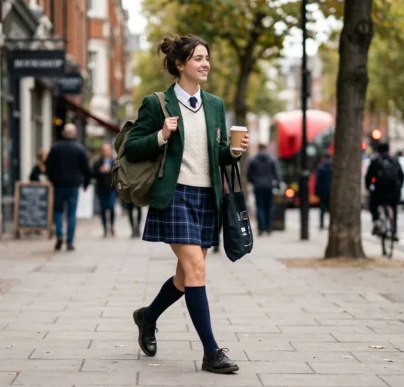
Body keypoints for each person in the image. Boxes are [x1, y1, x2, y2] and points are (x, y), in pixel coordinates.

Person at [125, 34, 249, 374]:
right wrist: (161, 135)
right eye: (198, 58)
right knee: (196, 270)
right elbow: (133, 147)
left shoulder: (215, 105)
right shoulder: (158, 104)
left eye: (207, 57)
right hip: (175, 195)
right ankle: (211, 352)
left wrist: (233, 152)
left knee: (184, 277)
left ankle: (147, 317)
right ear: (180, 65)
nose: (205, 63)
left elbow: (216, 154)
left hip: (207, 197)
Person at [44, 123, 91, 251]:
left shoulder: (55, 147)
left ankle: (59, 234)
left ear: (63, 133)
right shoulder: (79, 148)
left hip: (58, 185)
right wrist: (86, 183)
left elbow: (47, 166)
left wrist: (52, 179)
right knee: (71, 213)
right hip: (73, 186)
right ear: (74, 134)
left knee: (58, 211)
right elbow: (86, 168)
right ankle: (69, 241)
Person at [365, 142, 404, 240]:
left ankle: (376, 221)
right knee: (394, 209)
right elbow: (402, 175)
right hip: (393, 192)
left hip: (379, 191)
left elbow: (368, 177)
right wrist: (399, 187)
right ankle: (394, 231)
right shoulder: (394, 160)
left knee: (372, 205)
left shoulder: (375, 161)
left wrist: (369, 187)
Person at [247, 143, 280, 236]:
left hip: (258, 186)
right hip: (269, 186)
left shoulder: (253, 160)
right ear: (266, 148)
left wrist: (254, 181)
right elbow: (276, 173)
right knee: (268, 207)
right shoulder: (272, 159)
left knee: (260, 207)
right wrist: (277, 185)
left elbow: (249, 174)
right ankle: (268, 228)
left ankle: (261, 229)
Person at [92, 143, 118, 237]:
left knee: (111, 207)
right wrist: (100, 171)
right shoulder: (98, 162)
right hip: (101, 189)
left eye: (107, 150)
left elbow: (119, 174)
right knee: (103, 209)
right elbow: (93, 173)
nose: (105, 152)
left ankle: (111, 226)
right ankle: (105, 229)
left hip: (112, 189)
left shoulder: (115, 162)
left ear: (110, 150)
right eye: (104, 150)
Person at [315, 153, 333, 230]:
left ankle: (322, 224)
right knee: (330, 209)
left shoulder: (321, 167)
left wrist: (317, 192)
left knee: (322, 208)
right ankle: (331, 224)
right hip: (331, 191)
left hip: (323, 191)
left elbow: (318, 181)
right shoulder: (333, 166)